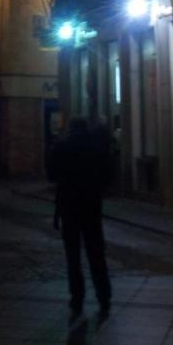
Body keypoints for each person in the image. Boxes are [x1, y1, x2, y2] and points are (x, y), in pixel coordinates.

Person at [47, 117, 115, 318]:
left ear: (70, 128)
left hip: (69, 205)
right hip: (92, 205)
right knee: (96, 253)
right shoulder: (95, 146)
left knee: (73, 256)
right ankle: (104, 295)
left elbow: (51, 174)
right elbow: (108, 175)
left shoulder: (62, 146)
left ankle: (77, 297)